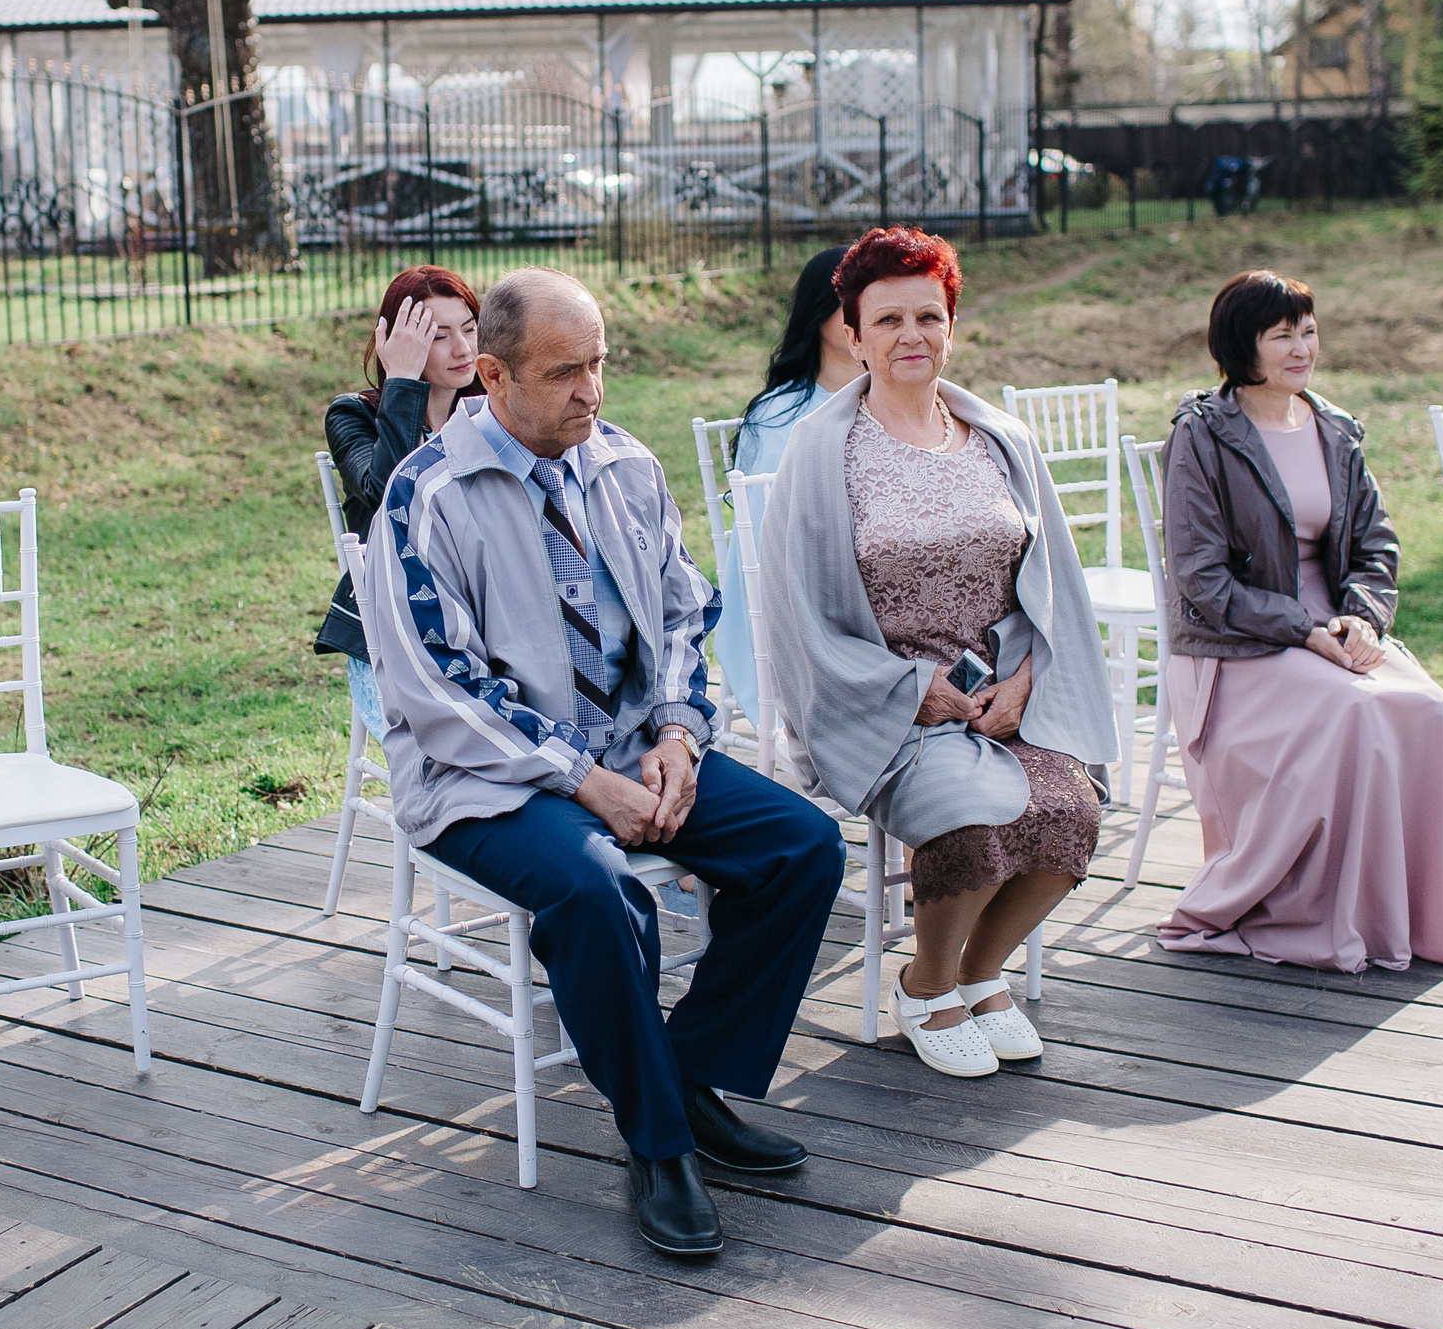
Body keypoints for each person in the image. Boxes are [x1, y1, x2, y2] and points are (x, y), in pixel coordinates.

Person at [365, 268, 846, 1262]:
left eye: (600, 365)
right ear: (492, 377)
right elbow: (437, 687)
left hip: (634, 746)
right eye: (565, 372)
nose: (592, 391)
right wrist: (582, 781)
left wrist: (675, 734)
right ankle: (659, 1142)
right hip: (484, 777)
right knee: (593, 890)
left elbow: (679, 614)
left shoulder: (623, 465)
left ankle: (687, 1072)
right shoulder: (424, 495)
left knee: (801, 845)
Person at [760, 227, 1118, 1081]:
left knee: (1077, 812)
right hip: (890, 700)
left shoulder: (1000, 439)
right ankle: (924, 986)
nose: (910, 335)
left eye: (929, 315)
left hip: (1007, 695)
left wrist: (1028, 680)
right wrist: (906, 686)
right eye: (888, 320)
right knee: (968, 814)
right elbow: (794, 610)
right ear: (853, 331)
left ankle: (977, 976)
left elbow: (1054, 584)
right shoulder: (823, 449)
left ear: (951, 324)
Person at [1157, 270, 1443, 972]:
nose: (1301, 346)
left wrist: (1363, 619)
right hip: (1239, 646)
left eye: (1308, 330)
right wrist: (1303, 630)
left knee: (1429, 708)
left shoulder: (1335, 429)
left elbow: (1378, 547)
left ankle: (1407, 901)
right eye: (1281, 334)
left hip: (1333, 632)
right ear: (1239, 345)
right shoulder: (1202, 436)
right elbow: (1201, 578)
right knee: (1356, 713)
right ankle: (1327, 909)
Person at [314, 266, 483, 741]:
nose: (463, 349)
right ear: (400, 343)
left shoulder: (492, 412)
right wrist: (404, 383)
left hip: (488, 621)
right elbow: (391, 494)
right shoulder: (353, 415)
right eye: (439, 336)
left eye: (469, 329)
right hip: (396, 634)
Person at [717, 246, 859, 733]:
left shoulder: (895, 402)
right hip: (801, 593)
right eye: (850, 300)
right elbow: (770, 536)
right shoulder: (779, 416)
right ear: (818, 313)